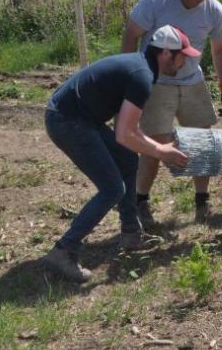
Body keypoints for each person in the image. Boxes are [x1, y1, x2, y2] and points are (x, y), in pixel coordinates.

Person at [41, 25, 201, 283]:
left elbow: (129, 129)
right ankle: (64, 250)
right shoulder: (141, 76)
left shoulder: (141, 68)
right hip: (67, 121)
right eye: (183, 55)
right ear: (166, 54)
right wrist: (161, 151)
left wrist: (158, 149)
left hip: (78, 117)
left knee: (128, 159)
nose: (185, 62)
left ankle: (131, 233)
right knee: (112, 188)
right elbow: (124, 134)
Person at [121, 0, 222, 226]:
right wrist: (129, 77)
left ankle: (202, 201)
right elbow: (131, 35)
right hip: (156, 82)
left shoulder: (213, 10)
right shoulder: (156, 0)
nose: (194, 0)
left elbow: (219, 50)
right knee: (154, 145)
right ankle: (141, 202)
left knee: (202, 142)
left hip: (192, 81)